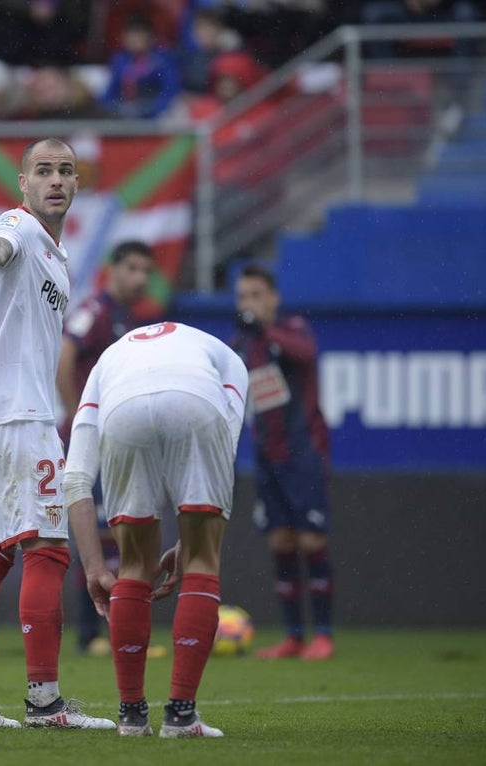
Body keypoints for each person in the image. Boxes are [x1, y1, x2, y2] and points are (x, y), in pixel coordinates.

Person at [0, 138, 115, 732]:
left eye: (66, 171)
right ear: (23, 183)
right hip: (21, 416)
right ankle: (45, 703)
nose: (56, 180)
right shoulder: (18, 227)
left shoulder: (58, 259)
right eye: (43, 171)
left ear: (77, 183)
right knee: (47, 549)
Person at [66, 320, 248, 738]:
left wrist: (94, 567)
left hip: (123, 410)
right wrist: (191, 540)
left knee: (133, 565)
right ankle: (181, 716)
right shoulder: (225, 357)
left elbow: (75, 479)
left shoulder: (106, 362)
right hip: (196, 399)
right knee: (203, 559)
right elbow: (225, 446)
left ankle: (131, 716)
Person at [56, 240, 157, 655]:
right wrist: (78, 418)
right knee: (98, 536)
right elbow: (64, 358)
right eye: (132, 268)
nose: (140, 278)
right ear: (112, 270)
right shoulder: (94, 312)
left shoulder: (127, 319)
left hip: (118, 440)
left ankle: (114, 630)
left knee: (118, 531)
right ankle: (92, 633)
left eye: (145, 270)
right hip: (93, 441)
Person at [231, 263, 335, 661]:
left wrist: (263, 329)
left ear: (273, 298)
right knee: (280, 541)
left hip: (304, 453)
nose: (249, 303)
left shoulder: (292, 329)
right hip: (267, 456)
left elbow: (304, 353)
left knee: (311, 540)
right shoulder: (243, 345)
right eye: (243, 297)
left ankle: (322, 635)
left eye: (256, 295)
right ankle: (293, 636)